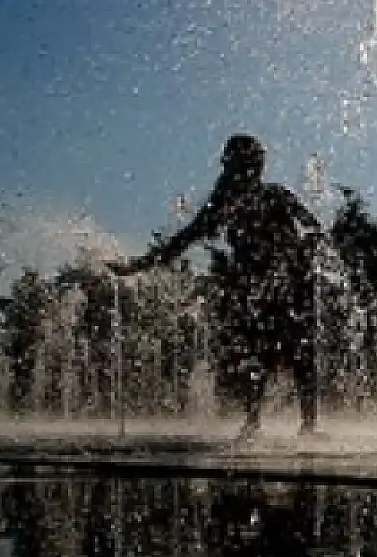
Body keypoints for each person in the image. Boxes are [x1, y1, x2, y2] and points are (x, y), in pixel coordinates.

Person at [110, 134, 323, 441]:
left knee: (298, 351)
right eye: (237, 165)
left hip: (291, 284)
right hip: (255, 289)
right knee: (258, 351)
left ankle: (306, 426)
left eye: (244, 165)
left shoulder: (276, 195)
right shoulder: (222, 207)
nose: (238, 172)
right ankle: (255, 424)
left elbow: (314, 227)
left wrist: (304, 249)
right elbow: (182, 240)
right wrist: (138, 265)